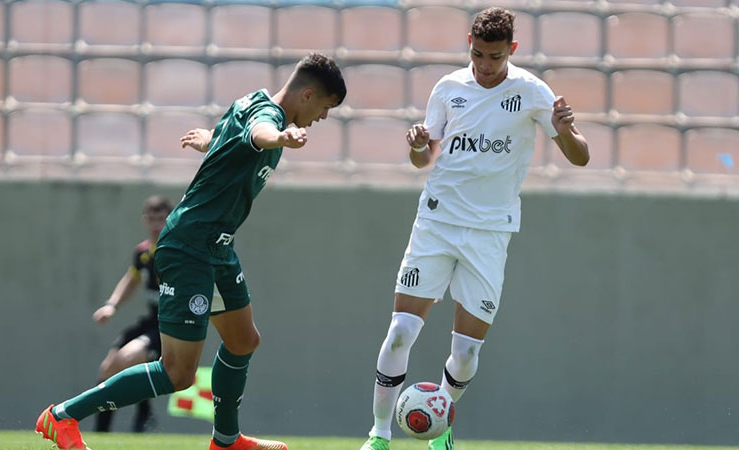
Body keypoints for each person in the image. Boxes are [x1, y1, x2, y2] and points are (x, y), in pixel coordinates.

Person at [35, 52, 347, 450]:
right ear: (307, 95)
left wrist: (210, 141)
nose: (323, 117)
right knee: (177, 373)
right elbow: (258, 134)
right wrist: (281, 137)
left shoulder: (249, 100)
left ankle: (226, 440)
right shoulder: (269, 120)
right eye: (325, 107)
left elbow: (235, 140)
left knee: (243, 341)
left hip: (217, 247)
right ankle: (62, 416)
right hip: (189, 247)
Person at [359, 7, 589, 450]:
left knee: (466, 353)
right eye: (479, 54)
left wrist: (565, 132)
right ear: (469, 43)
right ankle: (379, 434)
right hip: (437, 222)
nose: (485, 65)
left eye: (496, 57)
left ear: (512, 51)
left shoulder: (533, 93)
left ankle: (440, 428)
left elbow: (579, 157)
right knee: (401, 330)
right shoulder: (448, 88)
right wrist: (419, 147)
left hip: (489, 233)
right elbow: (424, 160)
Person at [91, 195, 172, 433]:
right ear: (145, 220)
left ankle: (144, 413)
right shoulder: (143, 253)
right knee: (108, 368)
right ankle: (101, 434)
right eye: (152, 219)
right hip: (149, 322)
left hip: (169, 326)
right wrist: (111, 305)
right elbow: (132, 279)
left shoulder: (177, 248)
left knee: (128, 359)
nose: (157, 225)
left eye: (162, 219)